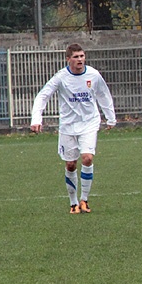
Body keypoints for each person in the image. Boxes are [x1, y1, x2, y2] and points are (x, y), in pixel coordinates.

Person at [30, 43, 116, 214]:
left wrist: (110, 117)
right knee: (70, 164)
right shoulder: (61, 77)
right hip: (68, 126)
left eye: (82, 56)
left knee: (87, 158)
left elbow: (103, 95)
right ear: (68, 59)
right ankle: (73, 202)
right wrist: (36, 118)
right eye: (76, 57)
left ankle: (84, 200)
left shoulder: (93, 75)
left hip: (89, 123)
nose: (80, 60)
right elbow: (43, 95)